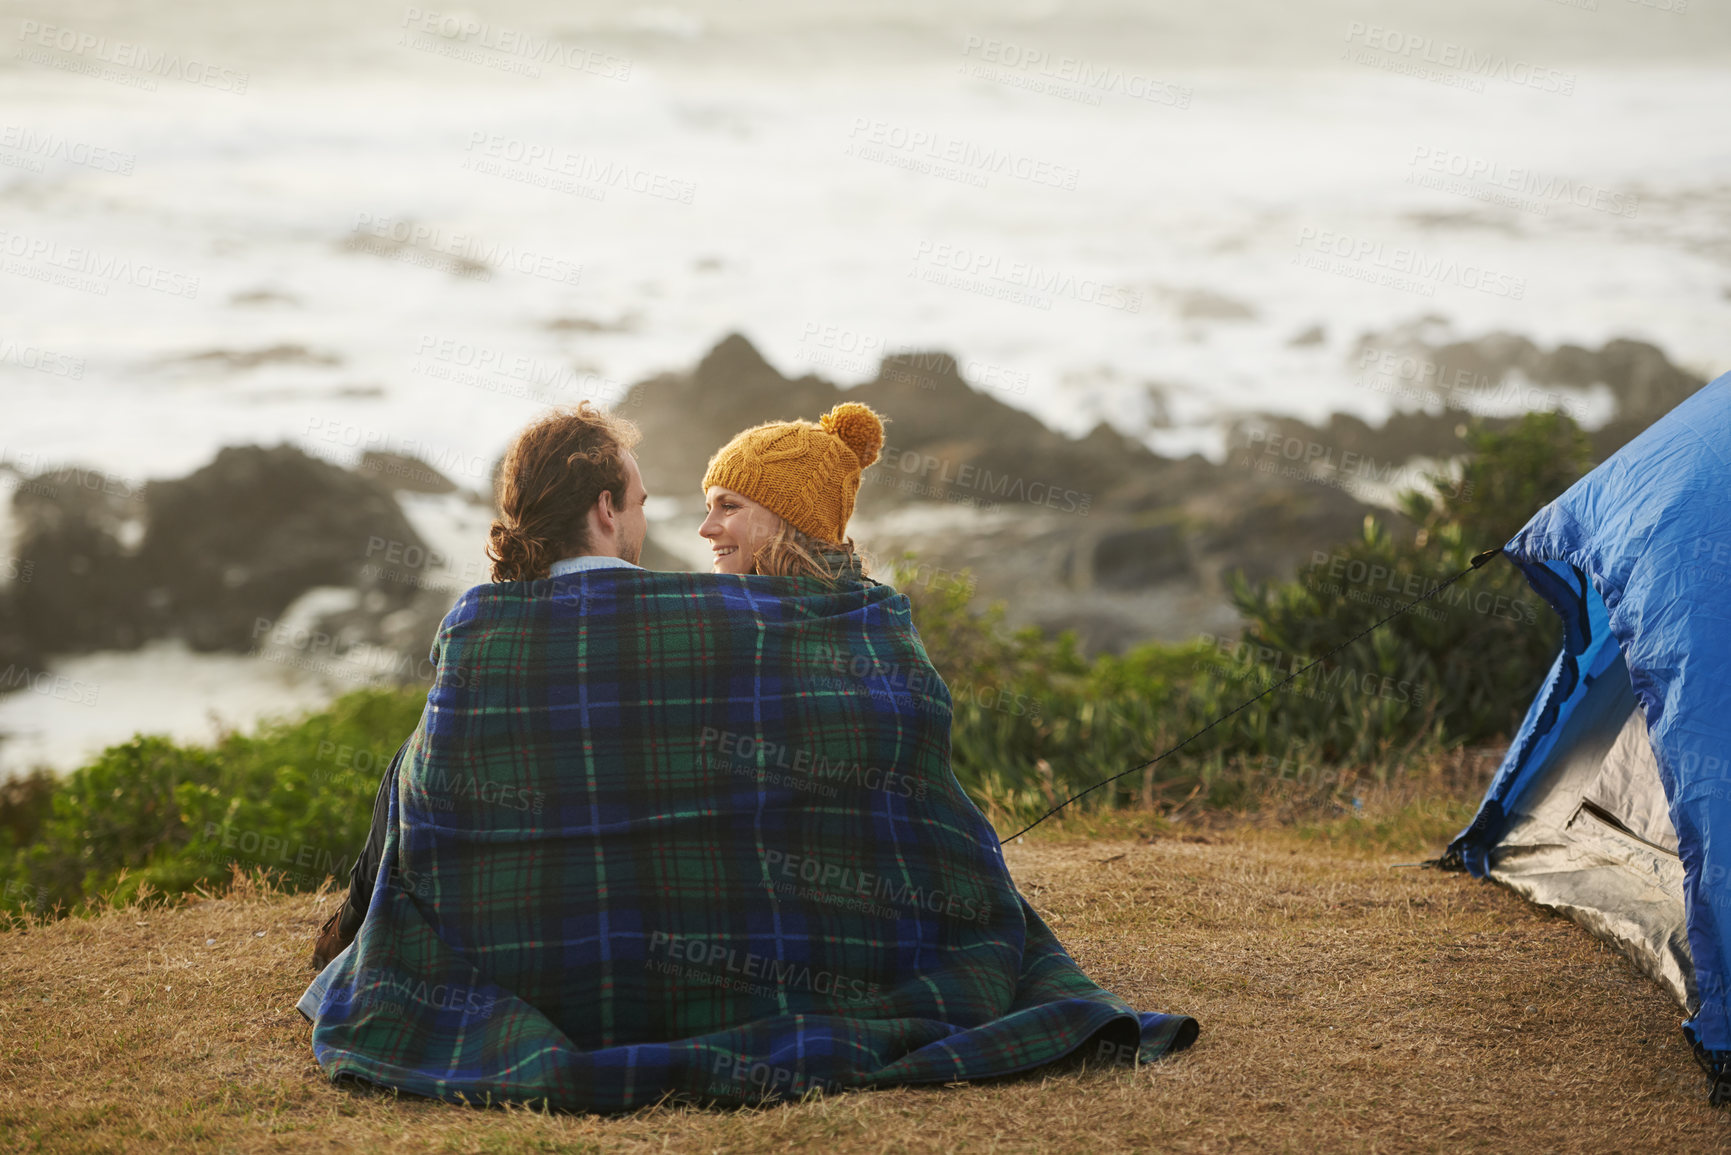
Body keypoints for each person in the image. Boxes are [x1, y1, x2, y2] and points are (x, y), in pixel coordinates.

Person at [300, 399, 1196, 1109]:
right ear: (607, 509)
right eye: (662, 503)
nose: (692, 529)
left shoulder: (487, 626)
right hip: (811, 949)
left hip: (528, 958)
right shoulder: (791, 623)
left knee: (407, 766)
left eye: (725, 507)